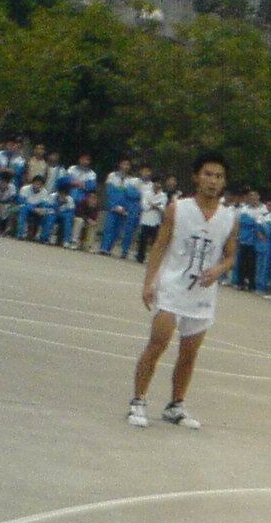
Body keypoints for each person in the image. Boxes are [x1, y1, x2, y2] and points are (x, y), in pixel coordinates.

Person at [129, 152, 238, 431]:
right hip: (173, 286)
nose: (213, 181)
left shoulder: (229, 217)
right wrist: (148, 283)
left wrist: (218, 270)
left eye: (219, 176)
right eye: (208, 174)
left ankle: (175, 404)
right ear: (196, 177)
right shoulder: (178, 208)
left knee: (189, 353)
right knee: (158, 342)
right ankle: (138, 400)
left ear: (224, 182)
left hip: (202, 293)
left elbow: (230, 256)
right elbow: (159, 246)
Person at [98, 158, 136, 256]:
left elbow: (130, 196)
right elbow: (109, 192)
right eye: (124, 164)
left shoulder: (131, 180)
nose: (126, 167)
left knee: (118, 229)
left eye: (128, 165)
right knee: (109, 227)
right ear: (120, 165)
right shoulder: (112, 176)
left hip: (124, 208)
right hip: (113, 206)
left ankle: (109, 249)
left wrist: (125, 208)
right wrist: (114, 206)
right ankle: (103, 248)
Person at [135, 167, 166, 262]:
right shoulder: (146, 193)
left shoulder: (163, 195)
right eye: (156, 183)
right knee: (143, 240)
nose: (158, 185)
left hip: (156, 221)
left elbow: (163, 207)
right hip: (146, 219)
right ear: (153, 183)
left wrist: (153, 205)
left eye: (160, 183)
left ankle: (153, 259)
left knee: (155, 242)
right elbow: (144, 206)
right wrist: (155, 205)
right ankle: (140, 257)